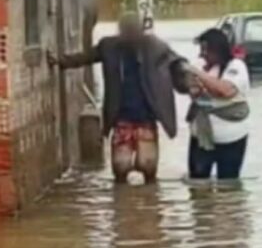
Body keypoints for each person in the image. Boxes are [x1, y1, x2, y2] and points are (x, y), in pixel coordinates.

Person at [51, 12, 193, 184]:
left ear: (141, 30)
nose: (130, 34)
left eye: (133, 30)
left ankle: (150, 201)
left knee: (147, 165)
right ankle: (121, 204)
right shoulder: (109, 47)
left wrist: (186, 78)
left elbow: (176, 62)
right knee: (121, 166)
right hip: (121, 117)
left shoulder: (155, 47)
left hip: (146, 117)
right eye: (127, 30)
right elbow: (85, 57)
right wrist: (60, 61)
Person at [185, 29, 251, 180]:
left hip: (232, 139)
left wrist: (200, 75)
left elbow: (225, 90)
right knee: (198, 183)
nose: (202, 54)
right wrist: (192, 84)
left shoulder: (236, 66)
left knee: (228, 186)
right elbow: (192, 91)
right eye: (201, 50)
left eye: (206, 50)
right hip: (200, 137)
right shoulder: (199, 64)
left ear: (218, 50)